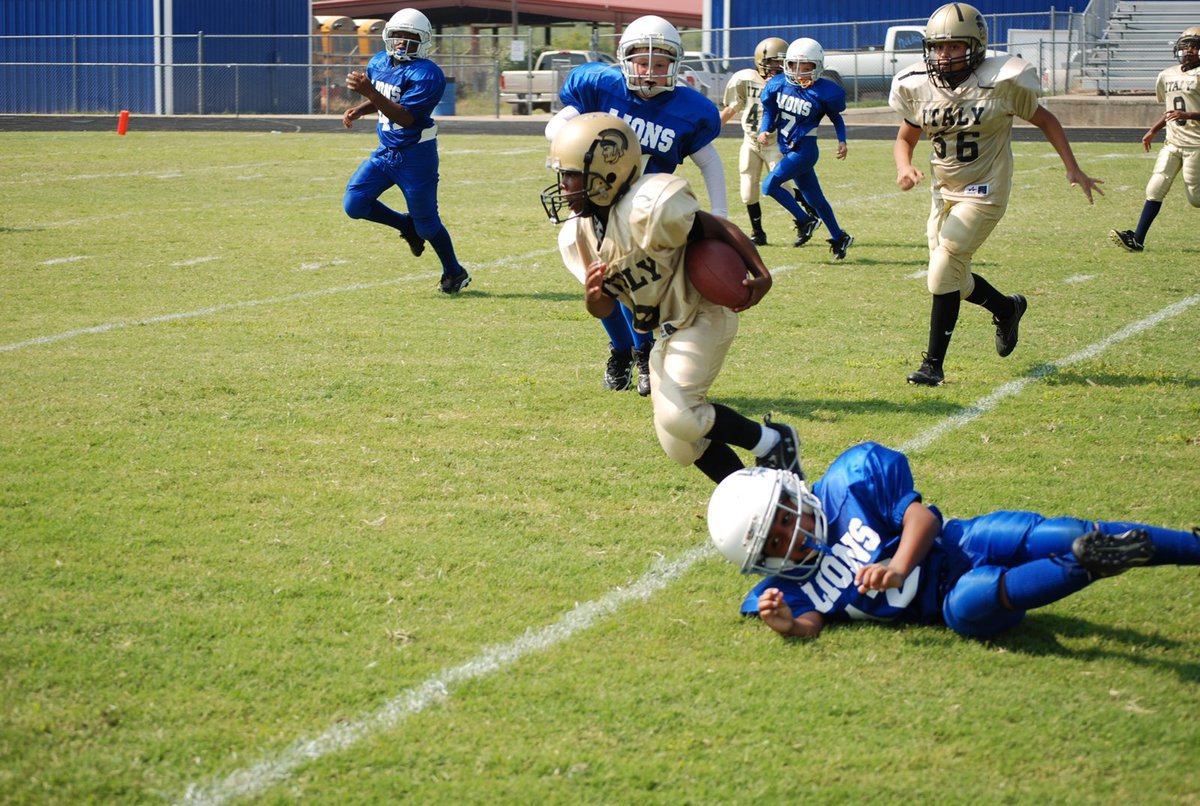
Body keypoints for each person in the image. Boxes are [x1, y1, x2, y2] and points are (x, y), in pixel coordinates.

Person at [707, 442, 1200, 639]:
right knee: (974, 599)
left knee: (1057, 532)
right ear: (762, 563)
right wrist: (788, 625)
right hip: (942, 602)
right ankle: (1086, 563)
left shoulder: (847, 482)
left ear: (793, 493)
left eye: (783, 520)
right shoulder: (792, 588)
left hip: (963, 544)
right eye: (775, 544)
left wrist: (898, 565)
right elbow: (813, 621)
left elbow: (921, 519)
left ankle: (1186, 546)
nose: (790, 538)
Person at [541, 112, 800, 484]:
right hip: (668, 331)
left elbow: (714, 225)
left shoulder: (648, 206)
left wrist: (759, 270)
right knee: (680, 444)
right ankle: (753, 492)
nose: (563, 186)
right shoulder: (578, 235)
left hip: (702, 314)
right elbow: (605, 307)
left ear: (608, 172)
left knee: (682, 416)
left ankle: (774, 442)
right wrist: (592, 296)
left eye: (570, 175)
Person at [891, 2, 1103, 386]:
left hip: (985, 191)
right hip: (944, 192)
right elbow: (906, 137)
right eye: (938, 47)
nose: (944, 55)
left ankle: (932, 366)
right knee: (955, 277)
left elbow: (1045, 119)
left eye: (954, 47)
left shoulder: (1003, 81)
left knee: (943, 269)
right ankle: (1007, 309)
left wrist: (1072, 167)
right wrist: (904, 167)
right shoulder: (918, 85)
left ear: (976, 46)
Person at [545, 15, 727, 397]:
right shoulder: (600, 87)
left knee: (634, 288)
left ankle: (643, 352)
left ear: (674, 66)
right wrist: (579, 139)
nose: (649, 72)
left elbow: (709, 160)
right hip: (596, 207)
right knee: (598, 285)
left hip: (647, 217)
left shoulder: (687, 109)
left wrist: (722, 215)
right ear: (624, 60)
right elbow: (557, 125)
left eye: (659, 64)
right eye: (642, 62)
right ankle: (621, 349)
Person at [342, 8, 471, 295]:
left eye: (409, 37)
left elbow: (406, 117)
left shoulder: (428, 73)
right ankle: (405, 225)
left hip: (416, 156)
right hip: (387, 151)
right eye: (397, 35)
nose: (401, 42)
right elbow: (387, 98)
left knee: (427, 224)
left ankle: (454, 271)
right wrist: (362, 109)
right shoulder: (379, 63)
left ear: (422, 41)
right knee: (355, 203)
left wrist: (368, 94)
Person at [757, 37, 853, 258]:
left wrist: (842, 139)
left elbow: (835, 117)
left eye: (806, 68)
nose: (799, 72)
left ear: (817, 67)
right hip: (788, 148)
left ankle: (805, 220)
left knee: (768, 186)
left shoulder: (824, 91)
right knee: (815, 200)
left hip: (805, 151)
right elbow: (770, 111)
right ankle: (839, 237)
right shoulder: (779, 84)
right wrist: (765, 129)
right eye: (794, 66)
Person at [720, 37, 818, 246]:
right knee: (748, 190)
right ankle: (758, 233)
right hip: (750, 141)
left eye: (782, 63)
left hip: (774, 142)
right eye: (774, 62)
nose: (778, 67)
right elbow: (732, 107)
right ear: (760, 60)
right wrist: (712, 127)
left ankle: (808, 215)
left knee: (781, 184)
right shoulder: (745, 79)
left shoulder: (788, 84)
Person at [1109, 26, 1200, 253]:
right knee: (1155, 187)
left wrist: (1188, 115)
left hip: (1196, 144)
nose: (1189, 50)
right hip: (1173, 142)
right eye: (1186, 45)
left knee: (1195, 198)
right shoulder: (1167, 74)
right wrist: (1154, 129)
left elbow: (1183, 111)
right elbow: (1171, 110)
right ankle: (1137, 239)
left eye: (1195, 46)